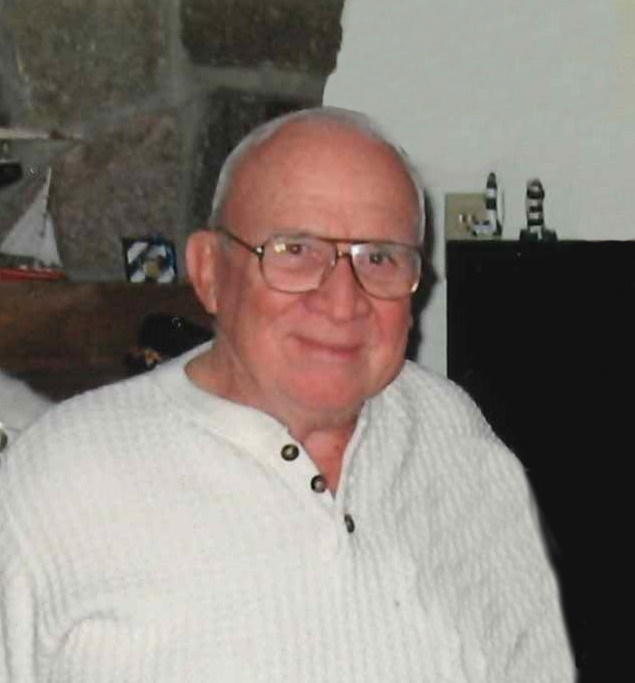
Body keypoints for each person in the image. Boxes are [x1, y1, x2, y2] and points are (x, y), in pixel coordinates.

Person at [0, 106, 575, 681]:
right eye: (295, 251)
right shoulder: (60, 477)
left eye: (379, 257)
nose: (343, 301)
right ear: (209, 271)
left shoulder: (453, 440)